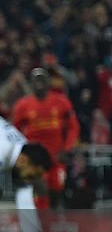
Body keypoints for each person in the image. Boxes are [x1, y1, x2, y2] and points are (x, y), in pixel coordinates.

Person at [11, 67, 80, 209]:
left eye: (42, 78)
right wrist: (22, 154)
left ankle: (54, 222)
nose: (39, 82)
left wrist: (66, 149)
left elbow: (73, 127)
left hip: (57, 157)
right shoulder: (23, 105)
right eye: (36, 79)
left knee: (57, 190)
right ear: (30, 83)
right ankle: (42, 223)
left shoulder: (61, 101)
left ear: (49, 81)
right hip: (35, 161)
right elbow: (14, 132)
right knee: (41, 191)